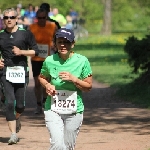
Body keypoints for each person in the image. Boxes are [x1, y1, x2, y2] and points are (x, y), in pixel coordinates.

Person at [38, 28, 92, 149]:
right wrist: (47, 85)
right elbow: (42, 77)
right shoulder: (49, 60)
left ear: (73, 43)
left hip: (74, 110)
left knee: (68, 146)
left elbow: (88, 86)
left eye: (66, 42)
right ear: (55, 43)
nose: (63, 45)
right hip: (52, 108)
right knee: (57, 145)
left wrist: (74, 79)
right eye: (60, 41)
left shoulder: (82, 61)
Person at [0, 8, 39, 145]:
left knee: (20, 106)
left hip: (22, 72)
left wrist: (21, 51)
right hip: (5, 72)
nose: (9, 19)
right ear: (3, 20)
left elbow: (36, 51)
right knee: (9, 103)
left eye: (11, 17)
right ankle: (13, 134)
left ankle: (17, 118)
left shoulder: (26, 34)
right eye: (6, 17)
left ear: (17, 19)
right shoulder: (1, 35)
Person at [29, 8, 57, 114]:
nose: (41, 20)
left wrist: (55, 45)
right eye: (39, 18)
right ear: (36, 18)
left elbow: (57, 38)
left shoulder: (52, 26)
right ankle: (38, 104)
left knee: (47, 82)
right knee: (37, 83)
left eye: (43, 18)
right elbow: (27, 40)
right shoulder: (31, 28)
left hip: (48, 59)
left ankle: (45, 103)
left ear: (46, 17)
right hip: (36, 58)